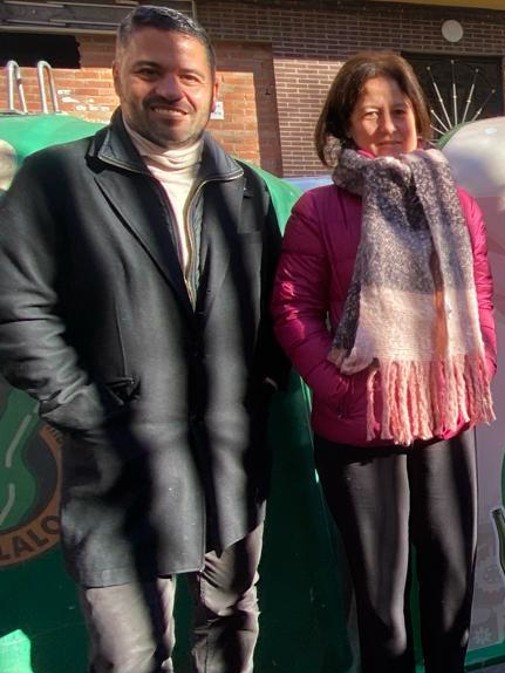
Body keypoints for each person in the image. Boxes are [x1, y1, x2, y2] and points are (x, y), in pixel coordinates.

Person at [0, 6, 287, 672]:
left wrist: (263, 385)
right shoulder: (60, 181)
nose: (170, 90)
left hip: (227, 462)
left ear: (213, 88)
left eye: (188, 75)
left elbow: (278, 300)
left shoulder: (242, 187)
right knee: (129, 654)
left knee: (231, 623)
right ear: (118, 76)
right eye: (150, 71)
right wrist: (89, 412)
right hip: (117, 471)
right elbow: (17, 312)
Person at [271, 52, 496, 673]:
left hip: (446, 418)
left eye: (399, 110)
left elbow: (480, 295)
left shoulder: (457, 204)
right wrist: (336, 388)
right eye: (371, 113)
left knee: (451, 574)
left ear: (419, 118)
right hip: (359, 428)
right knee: (381, 596)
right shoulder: (319, 210)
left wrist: (480, 368)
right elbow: (292, 309)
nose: (389, 124)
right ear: (347, 123)